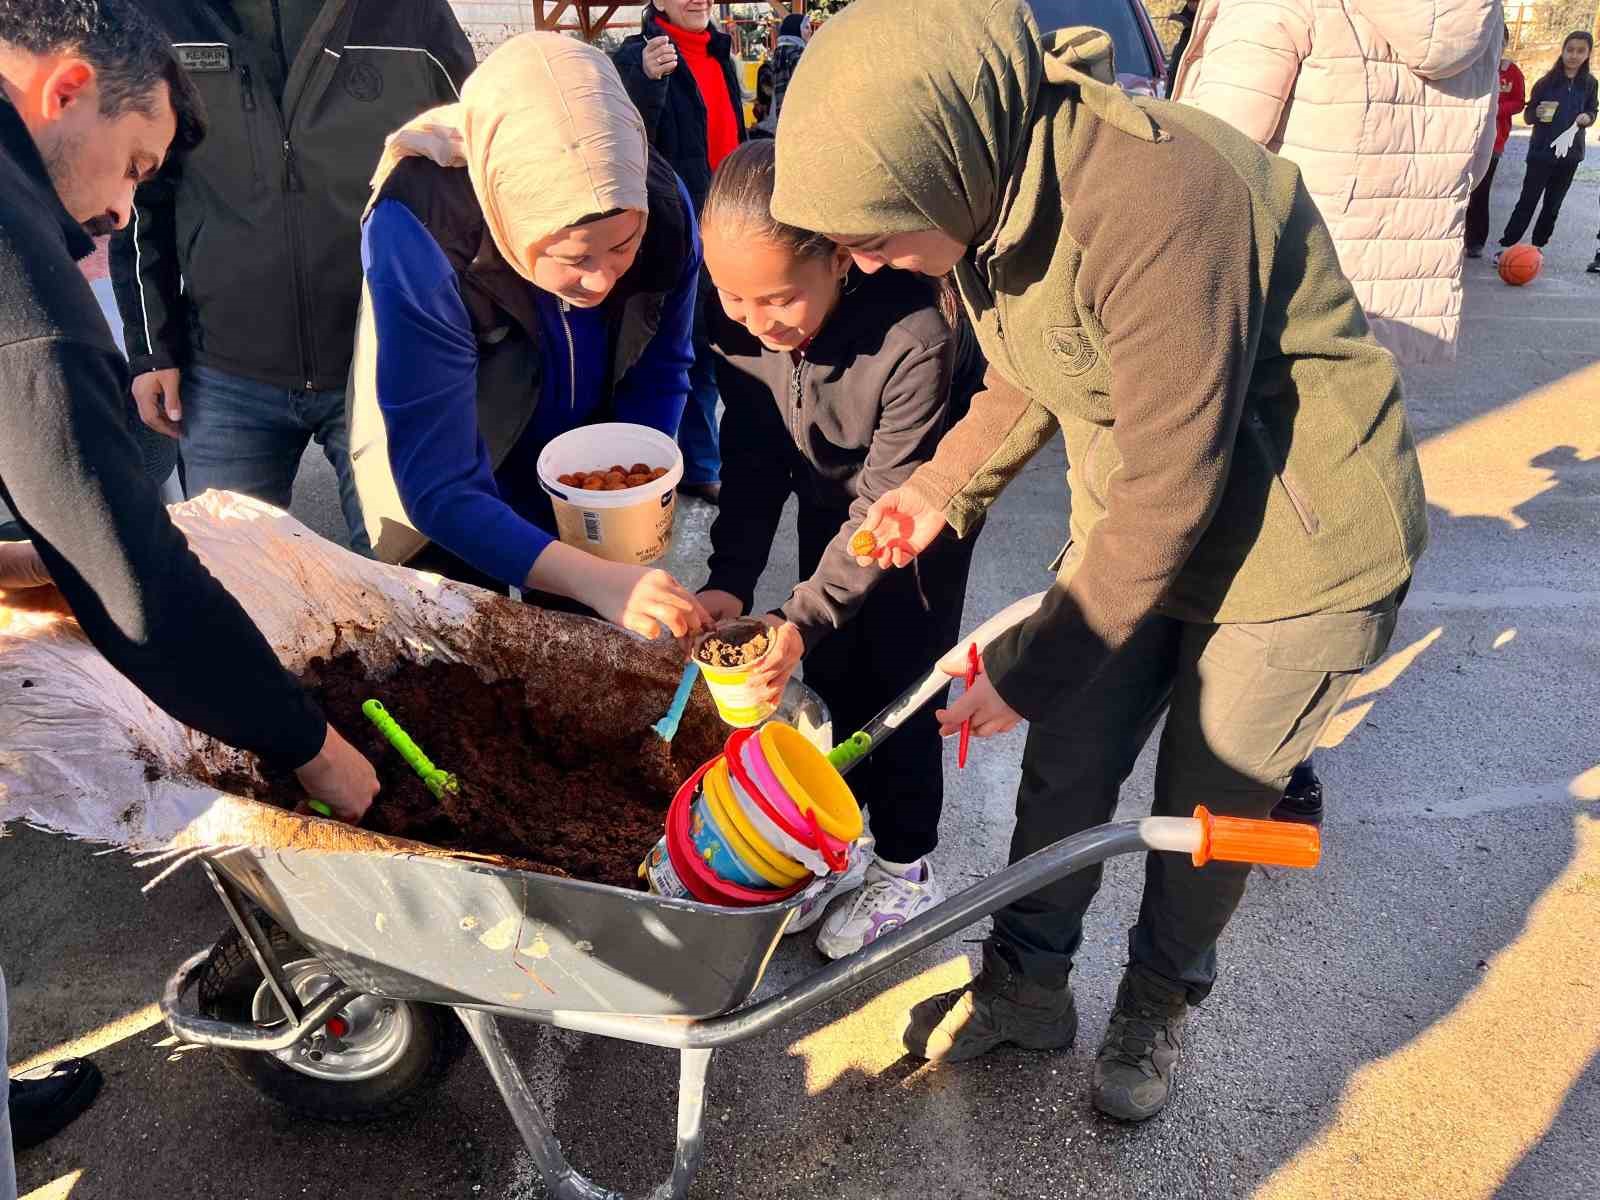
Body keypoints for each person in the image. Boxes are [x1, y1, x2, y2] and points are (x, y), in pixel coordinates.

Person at [772, 1, 1426, 1121]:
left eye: (875, 235)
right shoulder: (999, 204)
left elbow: (1174, 485)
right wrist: (935, 491)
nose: (865, 262)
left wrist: (1022, 670)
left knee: (1198, 812)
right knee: (1066, 772)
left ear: (950, 157)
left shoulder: (1160, 198)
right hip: (1148, 519)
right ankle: (1028, 989)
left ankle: (1155, 1007)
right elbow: (1032, 370)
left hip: (1293, 549)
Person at [0, 2, 381, 1189]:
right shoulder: (21, 270)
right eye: (135, 166)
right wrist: (311, 746)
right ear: (68, 90)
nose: (124, 207)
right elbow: (140, 592)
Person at [1169, 0, 1497, 825]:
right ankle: (1285, 759)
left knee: (1227, 509)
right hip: (1384, 314)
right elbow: (1479, 159)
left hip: (1276, 303)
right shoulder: (1473, 15)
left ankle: (1222, 744)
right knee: (1328, 530)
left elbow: (1199, 169)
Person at [696, 140, 984, 956]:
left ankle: (905, 866)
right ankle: (845, 843)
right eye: (733, 297)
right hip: (832, 495)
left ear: (838, 259)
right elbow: (752, 450)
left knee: (899, 683)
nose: (756, 322)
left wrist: (801, 613)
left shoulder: (915, 331)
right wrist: (731, 579)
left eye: (779, 299)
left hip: (913, 515)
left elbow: (884, 506)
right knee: (828, 674)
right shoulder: (734, 315)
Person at [350, 33, 710, 643]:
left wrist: (631, 499)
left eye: (623, 248)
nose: (599, 279)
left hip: (580, 483)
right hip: (461, 472)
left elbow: (663, 366)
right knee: (467, 656)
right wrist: (594, 578)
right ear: (513, 217)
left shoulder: (663, 209)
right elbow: (438, 485)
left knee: (592, 661)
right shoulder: (421, 230)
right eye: (573, 256)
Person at [108, 0, 476, 555]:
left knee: (411, 586)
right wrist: (152, 350)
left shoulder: (411, 13)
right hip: (226, 372)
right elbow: (137, 190)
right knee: (231, 588)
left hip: (383, 363)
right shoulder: (162, 16)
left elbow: (476, 160)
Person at [614, 1, 749, 506]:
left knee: (725, 351)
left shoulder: (719, 53)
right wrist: (645, 80)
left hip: (727, 225)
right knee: (678, 355)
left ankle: (706, 460)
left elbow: (730, 137)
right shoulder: (637, 56)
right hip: (676, 232)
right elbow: (625, 138)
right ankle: (674, 467)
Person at [1499, 32, 1597, 261]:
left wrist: (1588, 118)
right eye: (1569, 49)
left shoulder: (1590, 84)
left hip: (1570, 155)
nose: (1574, 55)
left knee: (1553, 205)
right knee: (1527, 201)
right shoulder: (1546, 82)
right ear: (1562, 51)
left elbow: (1593, 110)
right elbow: (1528, 114)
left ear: (1588, 54)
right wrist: (1537, 114)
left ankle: (1537, 247)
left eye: (1580, 51)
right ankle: (1508, 246)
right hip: (1541, 153)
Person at [1466, 28, 1526, 258]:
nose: (1495, 46)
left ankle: (1475, 241)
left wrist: (1494, 110)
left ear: (1506, 44)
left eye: (1500, 42)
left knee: (1480, 192)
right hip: (1465, 140)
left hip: (1493, 141)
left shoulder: (1511, 72)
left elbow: (1519, 102)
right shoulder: (1469, 67)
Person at [752, 12, 812, 137]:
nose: (810, 31)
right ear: (796, 31)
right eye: (806, 27)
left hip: (771, 131)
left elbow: (762, 103)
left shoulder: (772, 60)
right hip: (796, 127)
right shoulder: (801, 57)